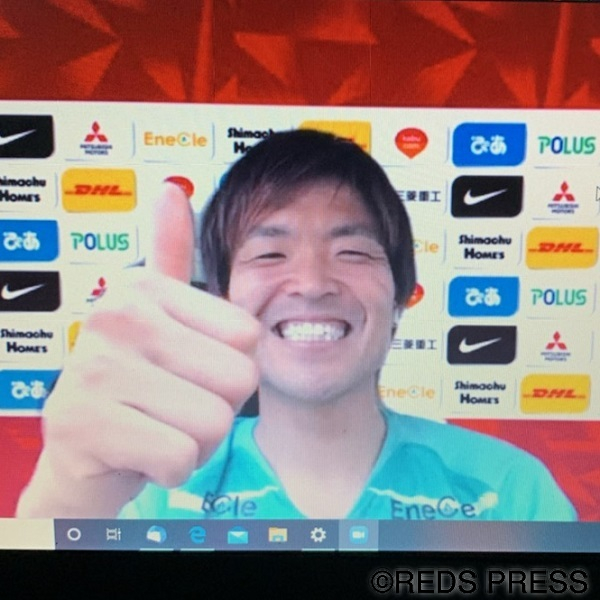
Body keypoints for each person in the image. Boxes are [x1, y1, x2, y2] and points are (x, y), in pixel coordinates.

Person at [17, 130, 575, 520]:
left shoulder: (506, 491)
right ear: (222, 299)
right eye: (269, 254)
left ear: (401, 296)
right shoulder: (152, 491)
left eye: (352, 252)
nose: (311, 284)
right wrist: (65, 502)